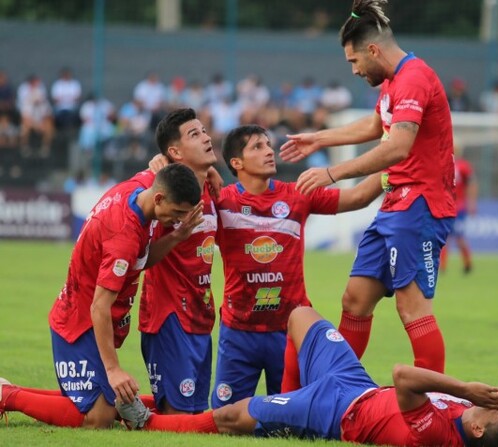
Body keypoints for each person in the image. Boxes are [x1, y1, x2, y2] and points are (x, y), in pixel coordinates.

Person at [280, 0, 455, 372]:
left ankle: (438, 406)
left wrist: (334, 171)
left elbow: (398, 145)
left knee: (412, 308)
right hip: (395, 205)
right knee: (355, 300)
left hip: (420, 206)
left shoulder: (415, 78)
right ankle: (339, 389)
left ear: (373, 49)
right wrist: (320, 139)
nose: (355, 70)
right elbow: (376, 127)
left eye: (354, 61)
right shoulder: (394, 82)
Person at [114, 306, 498, 447]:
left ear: (477, 429)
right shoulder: (483, 416)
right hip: (357, 385)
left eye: (497, 407)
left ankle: (148, 423)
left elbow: (403, 375)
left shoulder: (438, 435)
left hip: (337, 411)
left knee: (229, 417)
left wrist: (465, 388)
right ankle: (291, 399)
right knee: (299, 315)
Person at [0, 163, 203, 429]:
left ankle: (11, 389)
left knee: (98, 401)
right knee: (97, 417)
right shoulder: (124, 236)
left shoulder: (139, 189)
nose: (178, 219)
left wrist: (177, 236)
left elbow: (141, 259)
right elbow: (99, 306)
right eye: (177, 212)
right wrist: (113, 370)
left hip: (92, 318)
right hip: (78, 323)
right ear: (159, 198)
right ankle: (7, 396)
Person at [205, 124, 382, 408]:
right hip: (239, 331)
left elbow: (358, 197)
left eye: (268, 145)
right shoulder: (222, 202)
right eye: (258, 147)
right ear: (236, 163)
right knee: (226, 418)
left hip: (289, 331)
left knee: (294, 418)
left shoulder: (297, 194)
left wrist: (393, 162)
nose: (269, 151)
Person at [131, 108, 219, 415]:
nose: (206, 137)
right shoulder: (161, 188)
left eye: (204, 130)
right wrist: (155, 170)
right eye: (195, 134)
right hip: (169, 318)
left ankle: (117, 407)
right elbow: (140, 255)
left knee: (192, 415)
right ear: (174, 152)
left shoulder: (209, 186)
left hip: (201, 316)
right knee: (180, 420)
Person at [440, 145, 477, 274]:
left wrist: (471, 203)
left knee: (448, 237)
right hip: (453, 207)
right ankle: (465, 265)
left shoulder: (456, 166)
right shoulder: (462, 166)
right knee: (454, 237)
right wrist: (472, 203)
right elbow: (472, 185)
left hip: (454, 207)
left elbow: (471, 185)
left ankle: (446, 267)